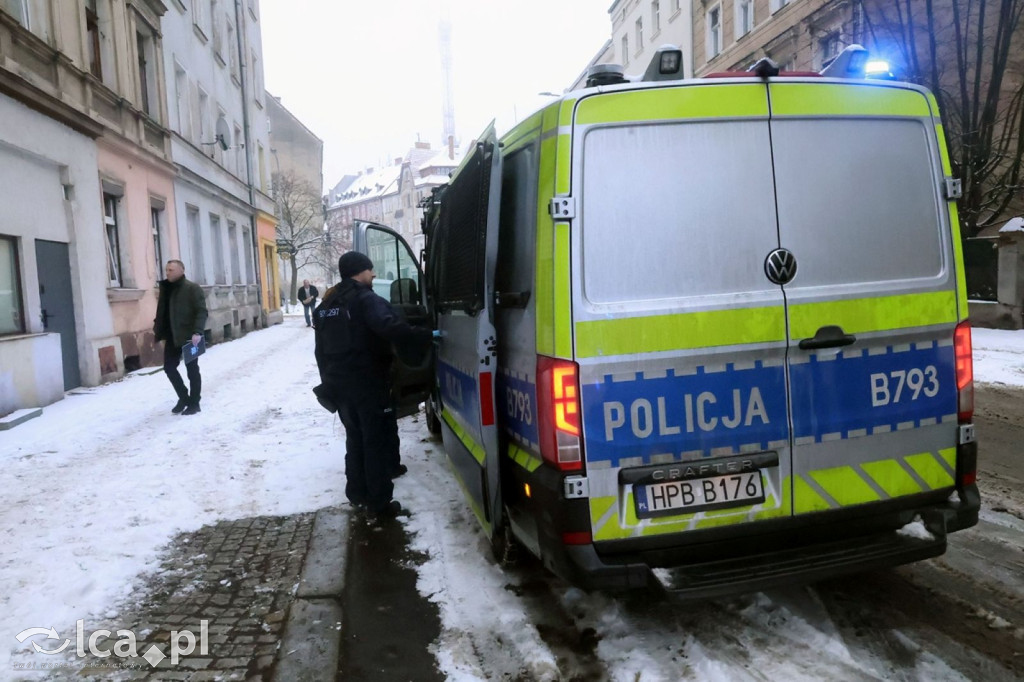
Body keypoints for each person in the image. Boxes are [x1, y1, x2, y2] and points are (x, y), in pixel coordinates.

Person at [314, 251, 431, 519]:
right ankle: (379, 504)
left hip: (339, 384)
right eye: (370, 270)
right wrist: (422, 336)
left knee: (355, 439)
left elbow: (319, 350)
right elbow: (390, 327)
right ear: (360, 271)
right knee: (375, 440)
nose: (374, 274)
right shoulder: (365, 300)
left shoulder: (328, 304)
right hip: (367, 382)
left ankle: (357, 493)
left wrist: (328, 382)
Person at [154, 260, 208, 415]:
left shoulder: (192, 288)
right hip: (172, 336)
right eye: (166, 270)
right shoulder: (166, 288)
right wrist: (158, 327)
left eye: (171, 270)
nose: (167, 273)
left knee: (192, 370)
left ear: (181, 270)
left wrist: (197, 332)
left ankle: (194, 403)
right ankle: (184, 397)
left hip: (190, 338)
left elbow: (201, 311)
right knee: (169, 368)